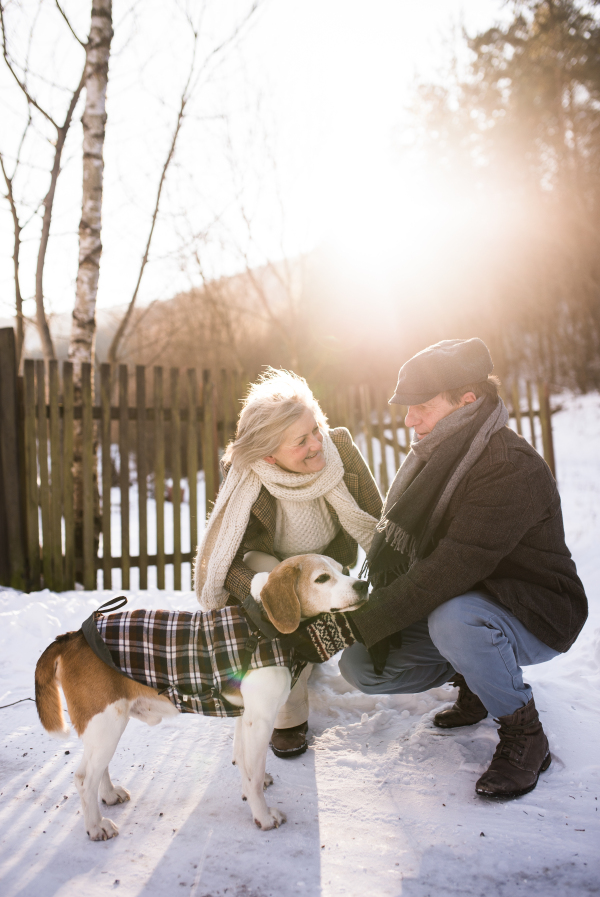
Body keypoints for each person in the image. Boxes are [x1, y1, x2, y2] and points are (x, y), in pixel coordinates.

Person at [290, 338, 587, 799]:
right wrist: (351, 624)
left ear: (466, 401)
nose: (409, 419)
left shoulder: (509, 469)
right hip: (466, 603)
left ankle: (525, 733)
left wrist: (355, 623)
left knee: (455, 619)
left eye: (421, 407)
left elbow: (447, 570)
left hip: (534, 611)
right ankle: (476, 678)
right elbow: (412, 561)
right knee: (364, 665)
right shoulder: (434, 458)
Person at [193, 368, 382, 757]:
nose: (317, 444)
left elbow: (377, 520)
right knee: (268, 591)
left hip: (331, 564)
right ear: (269, 454)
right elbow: (225, 559)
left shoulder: (340, 448)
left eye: (316, 430)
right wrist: (263, 589)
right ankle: (288, 716)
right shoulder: (245, 475)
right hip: (271, 564)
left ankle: (314, 640)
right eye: (301, 440)